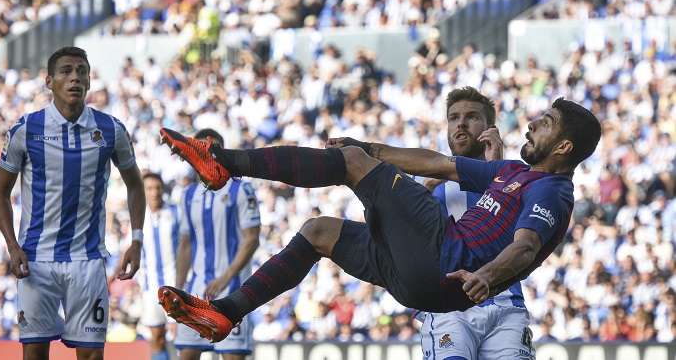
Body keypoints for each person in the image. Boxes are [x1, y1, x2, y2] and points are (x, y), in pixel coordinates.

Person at [156, 96, 601, 344]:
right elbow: (440, 165)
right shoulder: (513, 173)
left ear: (562, 147)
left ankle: (222, 162)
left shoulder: (554, 192)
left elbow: (525, 246)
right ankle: (225, 313)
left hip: (446, 257)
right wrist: (372, 149)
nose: (530, 127)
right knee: (319, 232)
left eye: (544, 124)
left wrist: (487, 275)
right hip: (422, 284)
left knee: (348, 162)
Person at [0, 46, 145, 360]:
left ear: (89, 80)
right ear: (49, 80)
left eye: (81, 71)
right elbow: (0, 192)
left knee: (91, 356)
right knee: (34, 354)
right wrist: (11, 245)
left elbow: (135, 184)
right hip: (36, 260)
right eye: (66, 71)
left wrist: (137, 239)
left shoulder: (110, 129)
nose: (74, 77)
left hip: (87, 261)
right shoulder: (25, 130)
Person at [419, 87, 535, 360]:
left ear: (489, 129)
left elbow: (529, 240)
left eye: (471, 116)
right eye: (453, 117)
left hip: (505, 304)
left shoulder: (518, 177)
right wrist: (421, 196)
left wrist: (497, 169)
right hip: (450, 307)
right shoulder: (426, 179)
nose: (460, 123)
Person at [173, 129, 261, 360]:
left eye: (211, 150)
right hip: (196, 288)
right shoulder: (188, 194)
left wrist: (225, 278)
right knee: (187, 354)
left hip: (233, 290)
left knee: (232, 355)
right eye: (199, 150)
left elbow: (252, 239)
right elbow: (185, 244)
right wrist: (178, 288)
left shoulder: (241, 189)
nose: (205, 155)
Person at [139, 172, 179, 360]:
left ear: (162, 190)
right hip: (150, 287)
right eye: (149, 188)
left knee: (181, 337)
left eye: (157, 188)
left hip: (176, 285)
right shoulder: (137, 217)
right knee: (156, 337)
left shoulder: (175, 213)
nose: (154, 193)